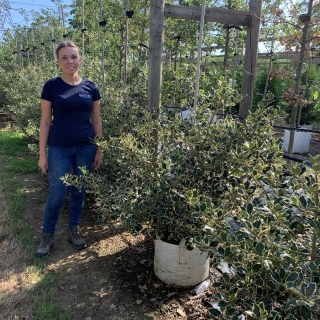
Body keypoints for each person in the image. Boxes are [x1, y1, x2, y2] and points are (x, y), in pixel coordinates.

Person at [36, 41, 103, 257]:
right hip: (59, 148)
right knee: (57, 192)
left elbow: (97, 120)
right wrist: (42, 154)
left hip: (86, 147)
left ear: (79, 59)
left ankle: (74, 229)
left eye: (73, 56)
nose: (69, 61)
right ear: (58, 61)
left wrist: (99, 149)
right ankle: (47, 235)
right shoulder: (51, 86)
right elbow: (45, 122)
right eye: (64, 57)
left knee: (79, 190)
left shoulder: (91, 87)